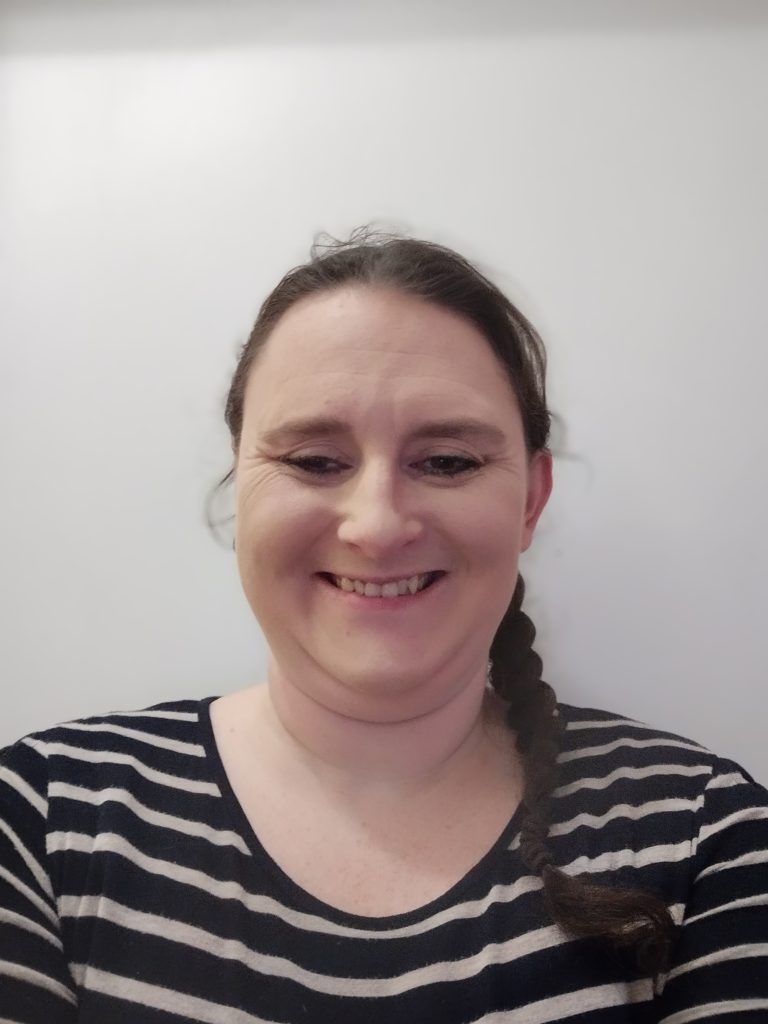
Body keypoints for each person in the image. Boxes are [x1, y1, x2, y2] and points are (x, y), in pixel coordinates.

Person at [1, 230, 767, 1024]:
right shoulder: (44, 818)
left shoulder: (707, 835)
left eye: (447, 461)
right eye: (313, 460)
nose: (376, 526)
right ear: (240, 486)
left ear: (531, 501)